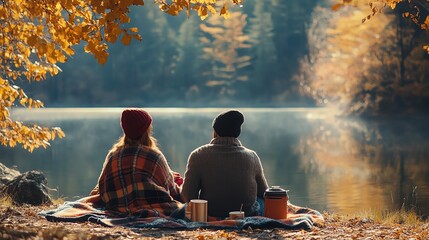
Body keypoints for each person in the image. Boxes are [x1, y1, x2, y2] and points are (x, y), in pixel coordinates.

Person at [89, 108, 183, 217]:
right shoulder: (154, 156)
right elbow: (174, 192)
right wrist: (174, 180)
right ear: (146, 131)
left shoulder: (112, 156)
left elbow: (101, 188)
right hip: (155, 208)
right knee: (186, 209)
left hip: (117, 209)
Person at [181, 109, 269, 219]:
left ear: (215, 132)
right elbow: (264, 193)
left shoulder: (197, 155)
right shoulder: (252, 156)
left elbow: (187, 195)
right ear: (237, 133)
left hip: (209, 213)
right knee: (261, 201)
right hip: (246, 215)